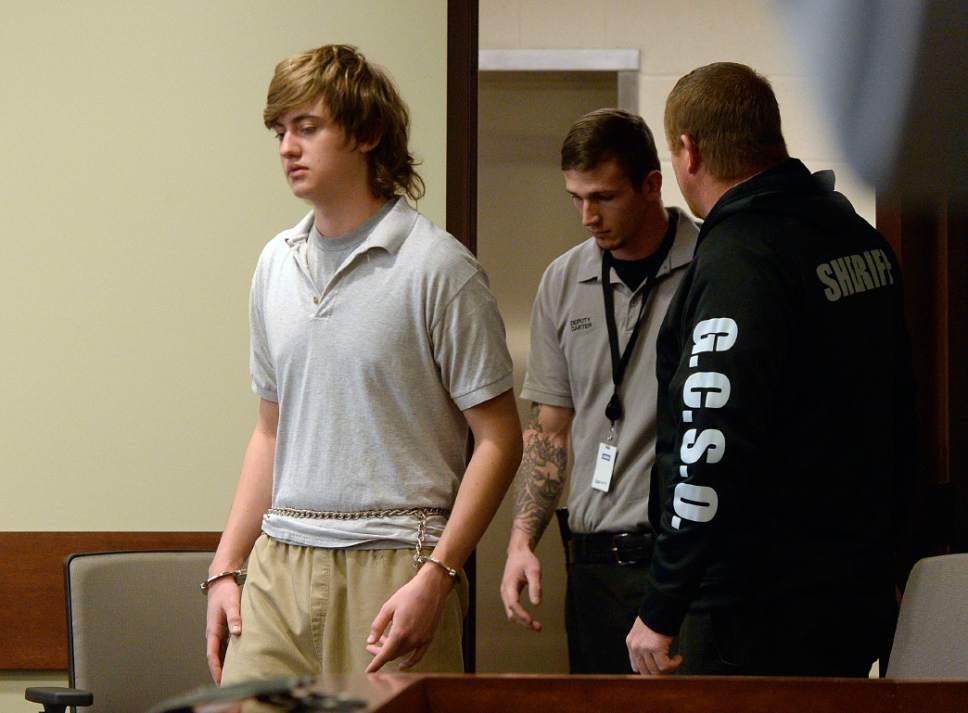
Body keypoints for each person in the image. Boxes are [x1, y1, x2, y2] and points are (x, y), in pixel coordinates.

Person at [203, 44, 522, 683]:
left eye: (307, 127)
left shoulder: (439, 268)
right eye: (280, 130)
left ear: (368, 133)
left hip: (396, 561)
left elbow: (499, 439)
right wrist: (225, 566)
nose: (287, 146)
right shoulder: (276, 263)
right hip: (279, 563)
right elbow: (270, 430)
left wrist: (439, 575)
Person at [626, 62, 915, 677]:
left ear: (687, 151)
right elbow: (899, 413)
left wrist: (663, 601)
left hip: (749, 605)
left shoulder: (740, 256)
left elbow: (709, 435)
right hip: (853, 590)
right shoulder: (858, 239)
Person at [500, 109, 700, 673]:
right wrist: (521, 543)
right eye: (576, 198)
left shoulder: (711, 263)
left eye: (605, 197)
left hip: (681, 560)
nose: (588, 216)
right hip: (593, 563)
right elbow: (549, 429)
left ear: (651, 185)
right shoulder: (563, 280)